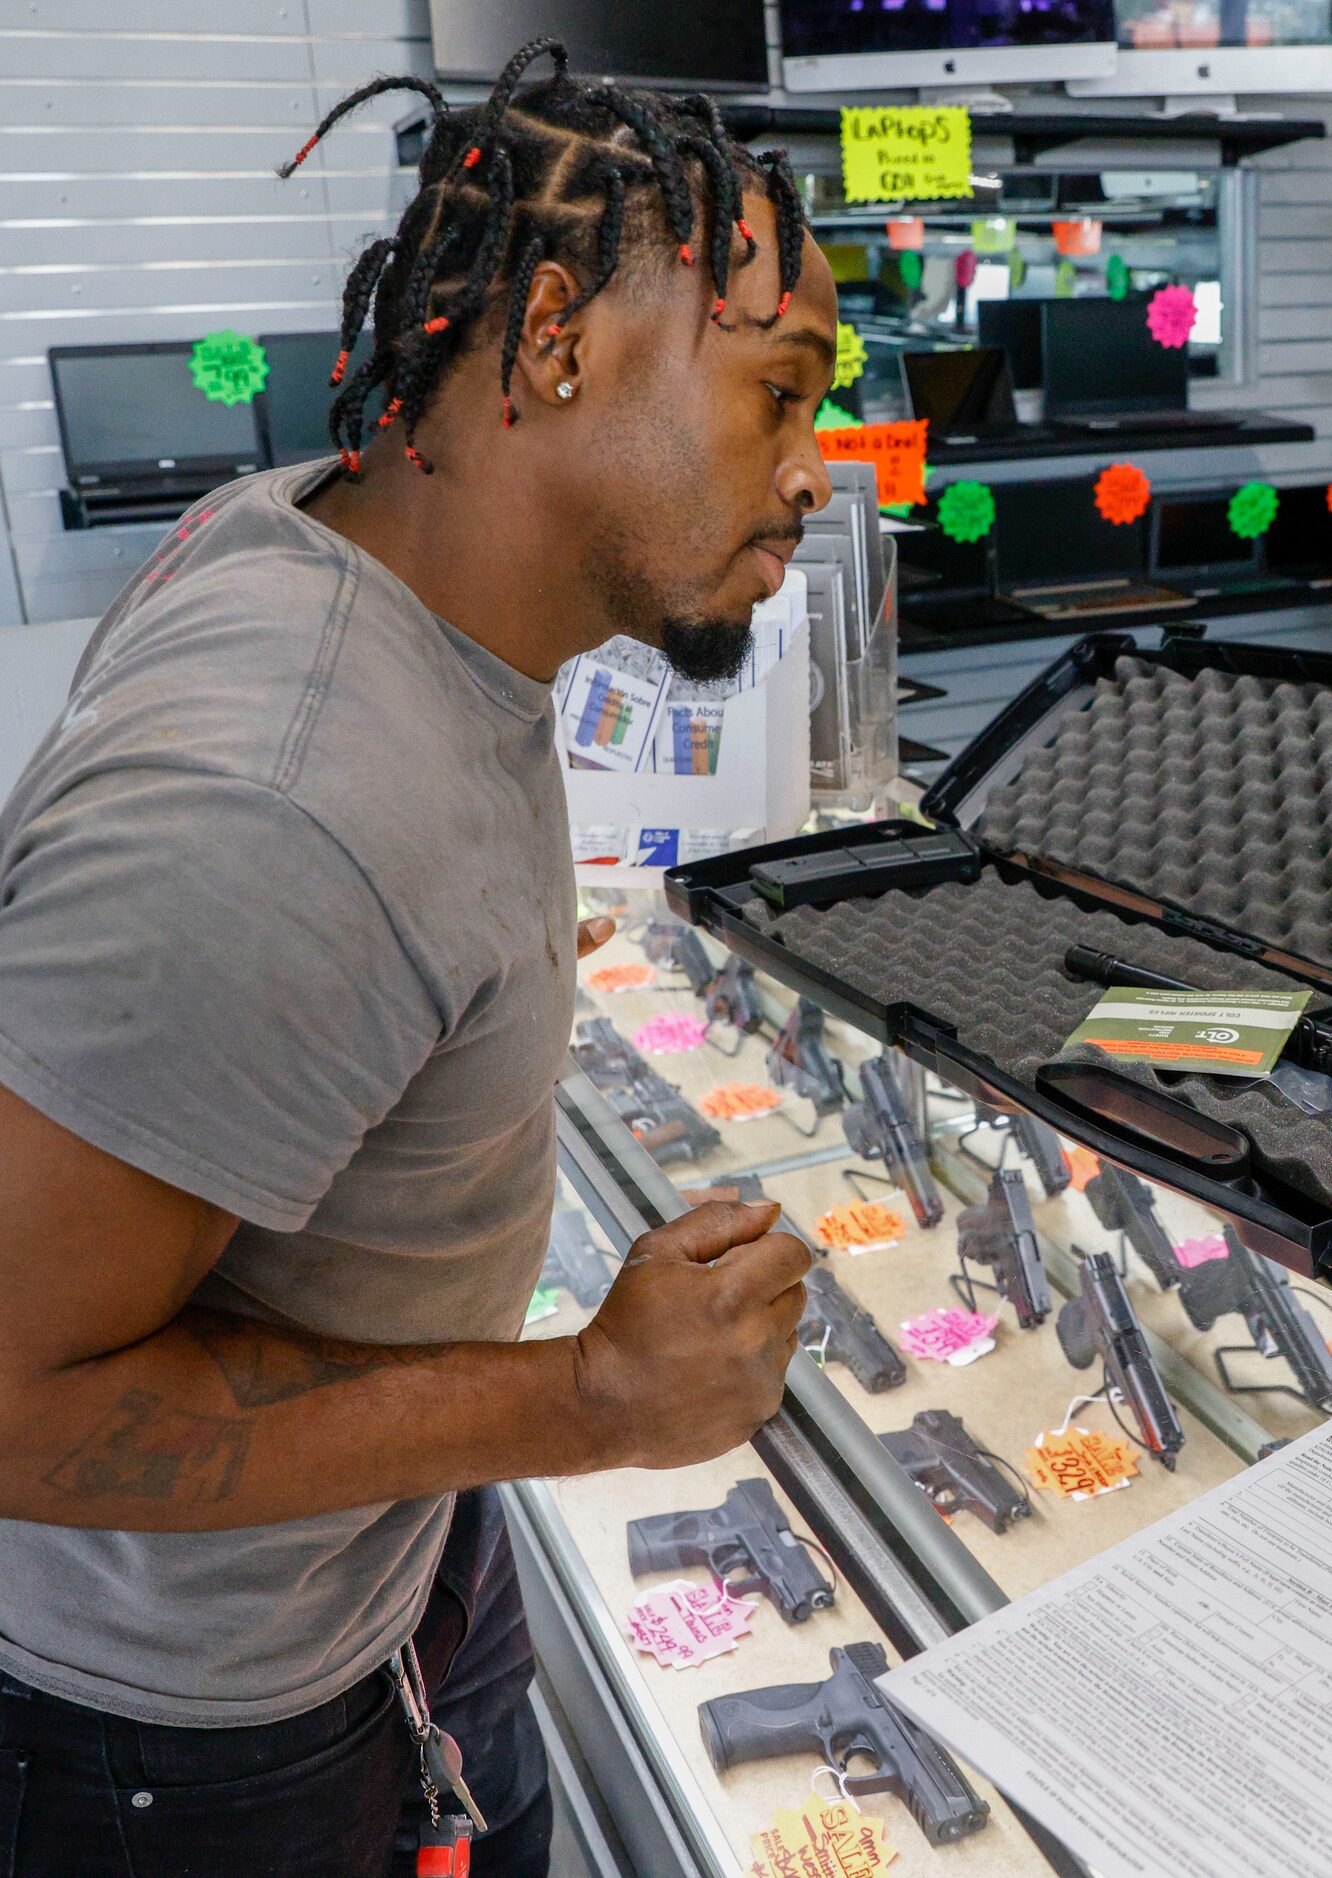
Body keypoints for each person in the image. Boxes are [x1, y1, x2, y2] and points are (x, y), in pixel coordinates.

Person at [0, 40, 840, 1876]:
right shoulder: (278, 811)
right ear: (556, 338)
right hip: (198, 1743)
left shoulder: (382, 567)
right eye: (776, 393)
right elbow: (12, 1403)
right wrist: (594, 1400)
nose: (814, 473)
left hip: (387, 1578)